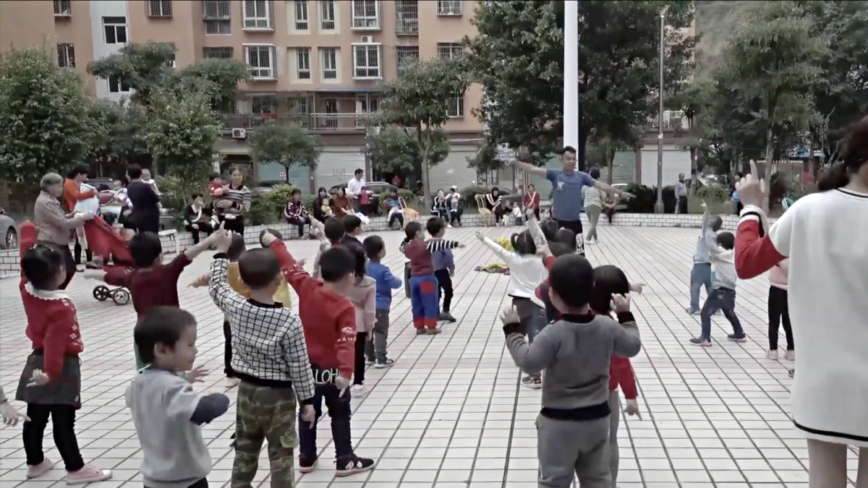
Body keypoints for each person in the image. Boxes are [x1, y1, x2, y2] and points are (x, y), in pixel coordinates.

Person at [733, 116, 868, 488]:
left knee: (824, 478)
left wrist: (751, 209)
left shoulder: (810, 210)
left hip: (823, 382)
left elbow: (746, 262)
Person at [501, 254, 641, 488]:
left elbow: (529, 363)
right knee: (597, 479)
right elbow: (632, 346)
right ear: (592, 289)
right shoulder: (607, 326)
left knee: (554, 480)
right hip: (597, 419)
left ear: (552, 295)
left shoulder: (553, 333)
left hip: (558, 423)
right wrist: (625, 315)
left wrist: (513, 332)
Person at [260, 230, 377, 476]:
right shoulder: (344, 306)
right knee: (340, 413)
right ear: (349, 276)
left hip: (305, 370)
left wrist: (274, 242)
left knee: (306, 411)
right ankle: (344, 459)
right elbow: (347, 341)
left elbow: (289, 265)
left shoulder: (308, 287)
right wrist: (346, 372)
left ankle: (306, 457)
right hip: (333, 372)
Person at [207, 230, 317, 487]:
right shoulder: (288, 320)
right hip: (279, 397)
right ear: (279, 279)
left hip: (247, 392)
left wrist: (222, 252)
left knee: (244, 450)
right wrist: (307, 401)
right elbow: (299, 365)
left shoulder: (236, 307)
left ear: (243, 282)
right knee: (281, 455)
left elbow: (217, 286)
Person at [16, 222, 112, 484]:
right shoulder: (61, 307)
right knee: (63, 419)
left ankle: (35, 462)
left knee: (34, 417)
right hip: (59, 366)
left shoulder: (27, 290)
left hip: (35, 359)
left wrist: (26, 236)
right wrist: (52, 373)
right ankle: (75, 469)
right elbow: (56, 342)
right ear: (59, 272)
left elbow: (25, 270)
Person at [84, 231, 220, 370]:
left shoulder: (132, 277)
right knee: (173, 377)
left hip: (144, 334)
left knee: (146, 373)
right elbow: (187, 255)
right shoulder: (167, 271)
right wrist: (209, 239)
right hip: (170, 332)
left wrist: (90, 274)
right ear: (159, 255)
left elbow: (109, 277)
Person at [128, 307, 230, 488]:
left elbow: (159, 393)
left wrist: (185, 378)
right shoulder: (172, 387)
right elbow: (201, 411)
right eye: (190, 345)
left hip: (153, 480)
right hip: (184, 480)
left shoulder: (138, 382)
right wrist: (221, 399)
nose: (195, 351)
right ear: (162, 350)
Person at [189, 233, 291, 385]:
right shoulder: (248, 267)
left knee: (230, 343)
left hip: (231, 315)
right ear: (244, 248)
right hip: (255, 312)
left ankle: (230, 373)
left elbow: (210, 281)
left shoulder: (224, 270)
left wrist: (196, 283)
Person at [476, 228, 548, 389]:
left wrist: (483, 239)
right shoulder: (542, 259)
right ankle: (536, 375)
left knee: (516, 333)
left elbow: (498, 249)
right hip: (539, 302)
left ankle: (523, 360)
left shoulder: (513, 258)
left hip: (520, 304)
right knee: (536, 337)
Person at [589, 265, 641, 487]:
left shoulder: (571, 318)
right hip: (607, 396)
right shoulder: (612, 328)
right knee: (609, 441)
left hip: (573, 393)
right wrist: (630, 396)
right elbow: (622, 365)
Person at [509, 146, 633, 238]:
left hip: (575, 224)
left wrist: (620, 193)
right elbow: (532, 169)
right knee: (557, 259)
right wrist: (516, 163)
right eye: (568, 159)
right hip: (557, 223)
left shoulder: (582, 177)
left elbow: (600, 185)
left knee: (578, 259)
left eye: (574, 159)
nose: (571, 161)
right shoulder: (555, 175)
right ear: (562, 160)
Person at [690, 203, 745, 346]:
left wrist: (709, 229)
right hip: (731, 291)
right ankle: (739, 333)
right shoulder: (733, 254)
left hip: (720, 290)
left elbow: (710, 245)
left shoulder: (721, 254)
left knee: (705, 313)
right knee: (729, 312)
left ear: (721, 244)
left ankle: (705, 338)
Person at [399, 221, 464, 334]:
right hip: (427, 279)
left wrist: (407, 238)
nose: (425, 233)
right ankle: (431, 327)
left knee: (417, 304)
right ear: (418, 233)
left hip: (414, 279)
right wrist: (456, 244)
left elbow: (401, 247)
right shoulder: (426, 245)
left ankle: (419, 327)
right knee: (430, 303)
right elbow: (442, 244)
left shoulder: (408, 248)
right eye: (423, 230)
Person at [33, 173, 93, 289]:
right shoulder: (46, 202)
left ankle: (56, 292)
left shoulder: (51, 200)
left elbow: (59, 218)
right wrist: (82, 219)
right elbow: (62, 224)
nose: (61, 189)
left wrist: (71, 215)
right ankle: (54, 293)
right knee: (62, 270)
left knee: (68, 269)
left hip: (58, 241)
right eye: (59, 186)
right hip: (51, 242)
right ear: (50, 186)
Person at [364, 235, 401, 368]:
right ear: (380, 252)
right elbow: (395, 283)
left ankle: (369, 356)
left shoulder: (363, 268)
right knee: (380, 331)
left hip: (365, 305)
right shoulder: (383, 270)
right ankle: (381, 358)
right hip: (380, 307)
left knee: (367, 331)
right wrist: (399, 279)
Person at [347, 245, 375, 394]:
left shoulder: (338, 280)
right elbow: (370, 309)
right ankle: (358, 381)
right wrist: (370, 327)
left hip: (341, 320)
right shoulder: (369, 282)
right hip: (360, 322)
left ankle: (339, 377)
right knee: (359, 351)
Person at [686, 207, 724, 315]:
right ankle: (716, 309)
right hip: (708, 266)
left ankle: (695, 308)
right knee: (710, 289)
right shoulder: (714, 236)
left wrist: (707, 210)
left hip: (699, 266)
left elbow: (704, 223)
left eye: (711, 219)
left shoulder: (706, 233)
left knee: (695, 288)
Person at [63, 165, 97, 267]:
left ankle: (88, 258)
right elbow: (76, 196)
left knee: (86, 235)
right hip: (76, 211)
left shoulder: (81, 183)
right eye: (85, 175)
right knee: (80, 235)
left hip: (84, 211)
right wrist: (92, 193)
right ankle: (79, 259)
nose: (86, 177)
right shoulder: (69, 183)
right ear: (79, 174)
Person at [428, 217, 457, 323]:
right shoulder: (442, 243)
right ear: (440, 230)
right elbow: (448, 257)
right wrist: (452, 268)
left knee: (435, 293)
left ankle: (435, 313)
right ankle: (445, 310)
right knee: (448, 291)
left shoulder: (427, 243)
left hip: (430, 272)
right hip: (441, 271)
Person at [767, 258, 794, 360]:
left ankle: (773, 350)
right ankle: (791, 350)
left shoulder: (778, 254)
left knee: (774, 321)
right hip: (789, 290)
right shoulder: (794, 252)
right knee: (788, 321)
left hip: (776, 288)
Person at [216, 167, 251, 237]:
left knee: (237, 242)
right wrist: (218, 204)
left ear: (242, 176)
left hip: (237, 219)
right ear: (230, 176)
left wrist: (232, 204)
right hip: (223, 219)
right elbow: (215, 202)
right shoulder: (224, 188)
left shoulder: (245, 191)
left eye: (239, 175)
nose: (237, 177)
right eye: (234, 175)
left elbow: (246, 208)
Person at [127, 165, 161, 234]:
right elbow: (156, 199)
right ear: (141, 174)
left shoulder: (129, 187)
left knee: (144, 236)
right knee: (153, 236)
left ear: (129, 176)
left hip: (138, 216)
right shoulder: (146, 186)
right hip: (151, 216)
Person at [582, 169, 604, 244]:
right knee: (593, 224)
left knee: (592, 223)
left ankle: (596, 239)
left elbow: (582, 195)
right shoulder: (598, 184)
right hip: (595, 205)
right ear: (598, 176)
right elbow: (602, 195)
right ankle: (588, 239)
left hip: (586, 205)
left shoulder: (585, 184)